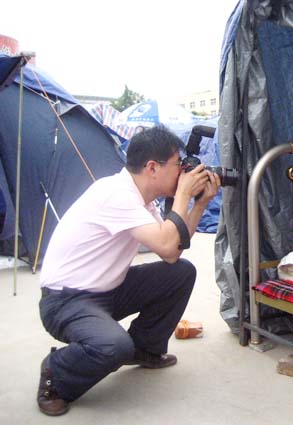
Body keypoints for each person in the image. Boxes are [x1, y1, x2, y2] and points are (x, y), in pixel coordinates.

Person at [37, 125, 220, 416]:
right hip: (66, 301)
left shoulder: (143, 200)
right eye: (178, 165)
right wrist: (184, 195)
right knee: (113, 346)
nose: (183, 172)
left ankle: (144, 349)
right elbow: (167, 242)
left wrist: (201, 204)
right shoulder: (115, 193)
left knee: (180, 272)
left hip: (108, 290)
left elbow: (171, 251)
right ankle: (56, 375)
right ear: (152, 167)